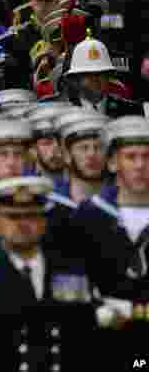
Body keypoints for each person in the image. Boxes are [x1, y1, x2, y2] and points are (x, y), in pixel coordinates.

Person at [0, 176, 102, 372]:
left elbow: (83, 332)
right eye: (13, 217)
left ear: (44, 222)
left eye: (31, 216)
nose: (23, 224)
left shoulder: (67, 266)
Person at [71, 118, 149, 370]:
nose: (140, 166)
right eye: (131, 157)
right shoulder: (86, 216)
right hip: (103, 342)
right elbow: (65, 280)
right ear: (113, 162)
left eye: (147, 157)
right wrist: (95, 307)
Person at [62, 35, 142, 117]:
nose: (95, 79)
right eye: (88, 74)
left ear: (109, 76)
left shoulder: (131, 110)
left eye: (101, 73)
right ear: (75, 80)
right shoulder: (64, 114)